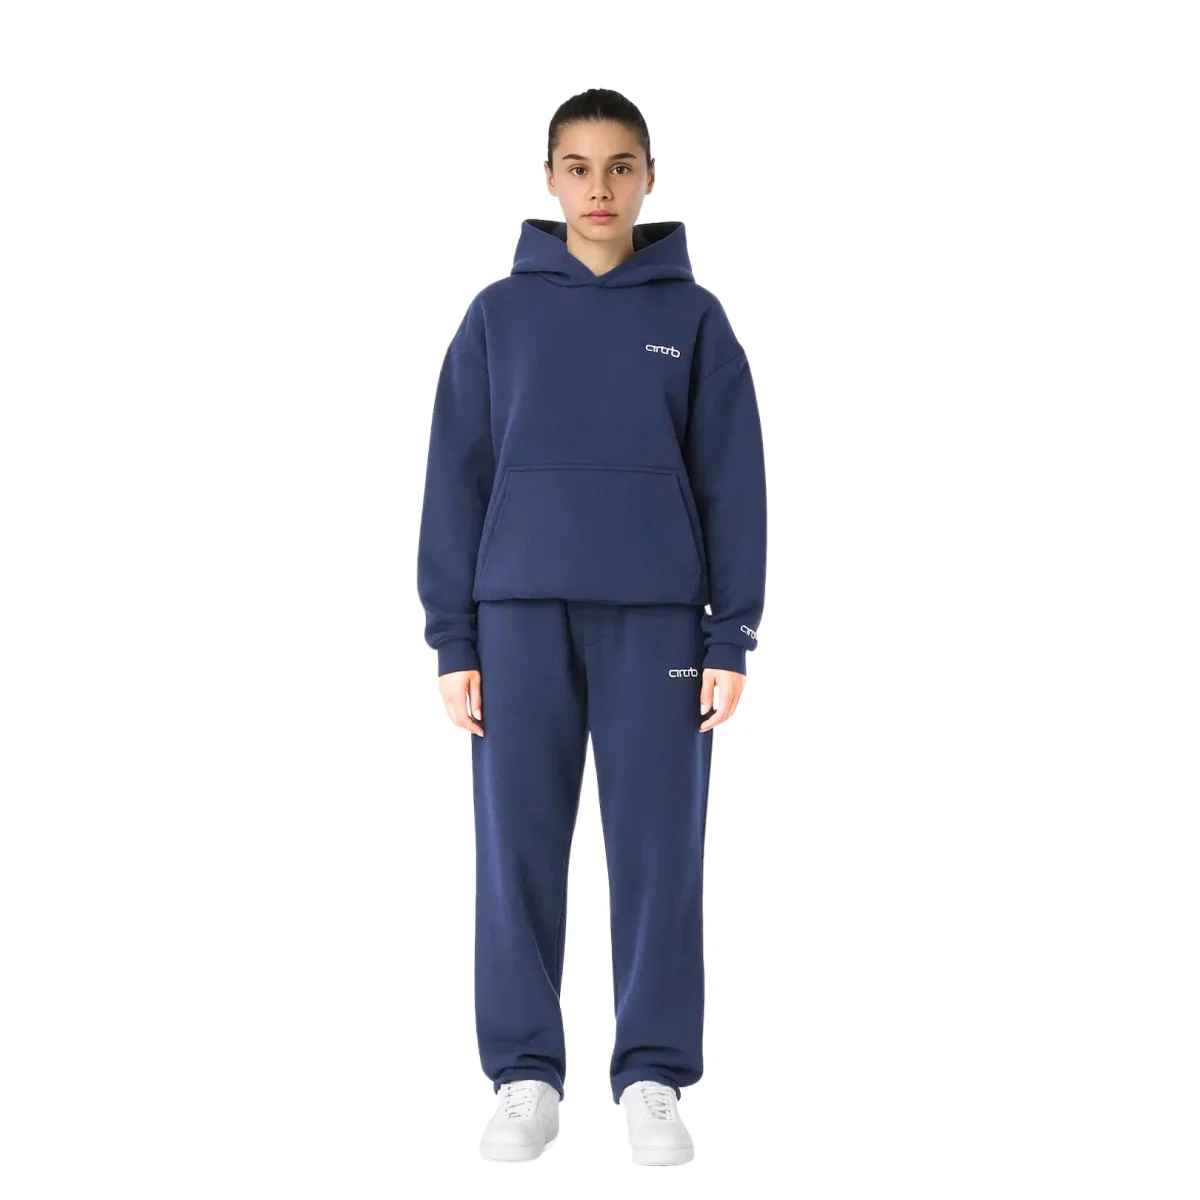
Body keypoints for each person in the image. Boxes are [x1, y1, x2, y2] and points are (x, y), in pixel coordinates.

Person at [416, 88, 767, 1166]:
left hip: (658, 622)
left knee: (660, 854)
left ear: (650, 177)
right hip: (518, 617)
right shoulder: (497, 316)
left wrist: (730, 636)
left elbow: (734, 483)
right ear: (549, 179)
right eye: (578, 167)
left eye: (620, 167)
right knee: (515, 851)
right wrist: (453, 638)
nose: (600, 188)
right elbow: (457, 478)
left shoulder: (695, 320)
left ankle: (653, 1074)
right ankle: (525, 1073)